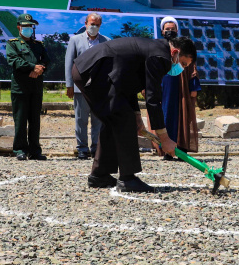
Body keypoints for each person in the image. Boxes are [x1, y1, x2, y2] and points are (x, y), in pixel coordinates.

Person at [72, 36, 197, 193]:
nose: (181, 69)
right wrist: (164, 138)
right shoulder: (161, 57)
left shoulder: (155, 49)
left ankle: (100, 175)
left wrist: (137, 115)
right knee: (123, 119)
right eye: (183, 63)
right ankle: (128, 178)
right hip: (94, 71)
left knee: (114, 119)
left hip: (95, 70)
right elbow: (153, 100)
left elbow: (127, 85)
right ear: (176, 52)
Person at [150, 16, 201, 161]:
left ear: (177, 30)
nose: (170, 31)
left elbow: (191, 66)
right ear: (162, 31)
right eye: (167, 29)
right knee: (165, 116)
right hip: (163, 89)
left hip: (181, 88)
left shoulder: (183, 47)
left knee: (183, 116)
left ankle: (182, 149)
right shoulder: (158, 46)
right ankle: (167, 150)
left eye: (172, 29)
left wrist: (193, 87)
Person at [64, 13, 110, 160]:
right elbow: (68, 63)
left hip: (99, 88)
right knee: (80, 118)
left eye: (97, 24)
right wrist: (69, 84)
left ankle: (96, 147)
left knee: (98, 119)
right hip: (80, 87)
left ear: (100, 25)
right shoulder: (75, 40)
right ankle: (82, 148)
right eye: (91, 23)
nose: (94, 27)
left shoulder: (106, 41)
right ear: (85, 23)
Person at [6, 13, 50, 161]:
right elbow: (15, 61)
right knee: (20, 120)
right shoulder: (13, 44)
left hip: (36, 87)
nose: (28, 29)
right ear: (19, 27)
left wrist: (40, 69)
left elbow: (46, 60)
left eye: (30, 27)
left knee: (35, 120)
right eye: (25, 26)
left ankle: (35, 150)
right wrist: (33, 67)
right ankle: (19, 149)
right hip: (20, 87)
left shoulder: (38, 45)